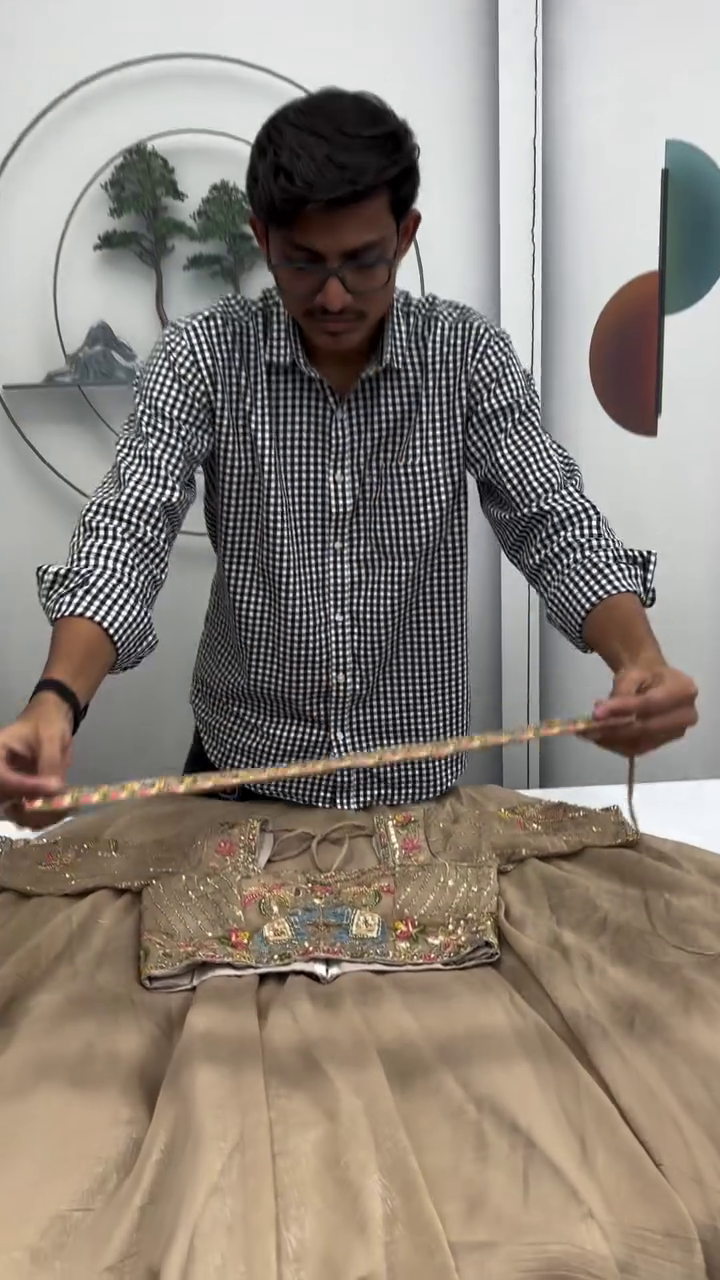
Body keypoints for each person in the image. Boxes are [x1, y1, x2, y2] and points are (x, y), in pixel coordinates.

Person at [0, 87, 698, 815]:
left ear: (405, 234)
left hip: (411, 793)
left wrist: (640, 661)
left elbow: (551, 518)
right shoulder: (204, 355)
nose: (333, 297)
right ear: (261, 237)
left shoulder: (464, 354)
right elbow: (128, 528)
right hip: (242, 777)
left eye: (363, 262)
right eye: (303, 263)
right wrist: (55, 702)